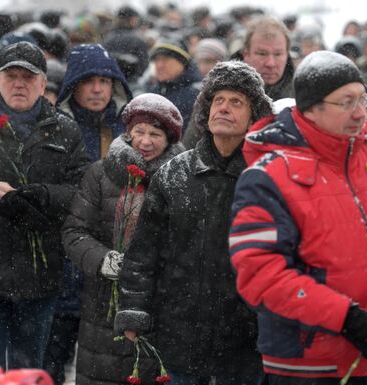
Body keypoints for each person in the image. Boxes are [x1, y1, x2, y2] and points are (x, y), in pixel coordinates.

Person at [229, 51, 367, 384]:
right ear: (311, 109)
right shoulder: (268, 176)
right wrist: (343, 317)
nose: (361, 112)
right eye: (345, 102)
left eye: (362, 98)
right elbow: (261, 274)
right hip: (310, 365)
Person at [114, 61, 273, 384]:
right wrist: (134, 307)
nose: (224, 109)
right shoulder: (174, 174)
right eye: (218, 100)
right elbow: (143, 253)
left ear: (254, 115)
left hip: (247, 340)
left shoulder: (268, 175)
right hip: (181, 334)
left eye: (236, 102)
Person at [0, 41, 90, 369]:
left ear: (43, 84)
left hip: (39, 276)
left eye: (28, 77)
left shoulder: (65, 129)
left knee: (27, 371)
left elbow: (83, 194)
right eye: (11, 75)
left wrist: (44, 194)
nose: (18, 83)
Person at [62, 93, 185, 385]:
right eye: (139, 132)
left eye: (155, 134)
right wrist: (103, 259)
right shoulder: (101, 174)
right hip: (102, 307)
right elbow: (74, 231)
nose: (146, 141)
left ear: (168, 140)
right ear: (128, 134)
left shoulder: (181, 179)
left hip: (159, 307)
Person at [46, 42, 132, 385]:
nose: (98, 89)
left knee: (105, 368)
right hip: (66, 262)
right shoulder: (58, 129)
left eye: (105, 81)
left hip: (112, 268)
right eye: (89, 81)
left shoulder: (130, 129)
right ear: (73, 85)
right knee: (52, 362)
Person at [144, 37, 202, 134]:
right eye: (156, 60)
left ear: (182, 62)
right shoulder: (153, 92)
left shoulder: (197, 95)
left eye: (165, 59)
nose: (159, 65)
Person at [242, 15, 295, 100]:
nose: (270, 63)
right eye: (262, 54)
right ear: (246, 55)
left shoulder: (304, 97)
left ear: (287, 55)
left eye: (278, 54)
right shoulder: (224, 93)